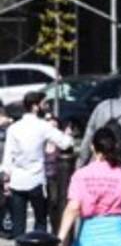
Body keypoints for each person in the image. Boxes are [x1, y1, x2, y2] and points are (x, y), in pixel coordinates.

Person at [2, 91, 73, 236]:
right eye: (44, 104)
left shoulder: (14, 128)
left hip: (17, 181)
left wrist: (5, 177)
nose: (46, 107)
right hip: (37, 180)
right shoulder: (42, 126)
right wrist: (68, 135)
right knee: (40, 221)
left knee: (18, 225)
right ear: (35, 106)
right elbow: (65, 143)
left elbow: (8, 156)